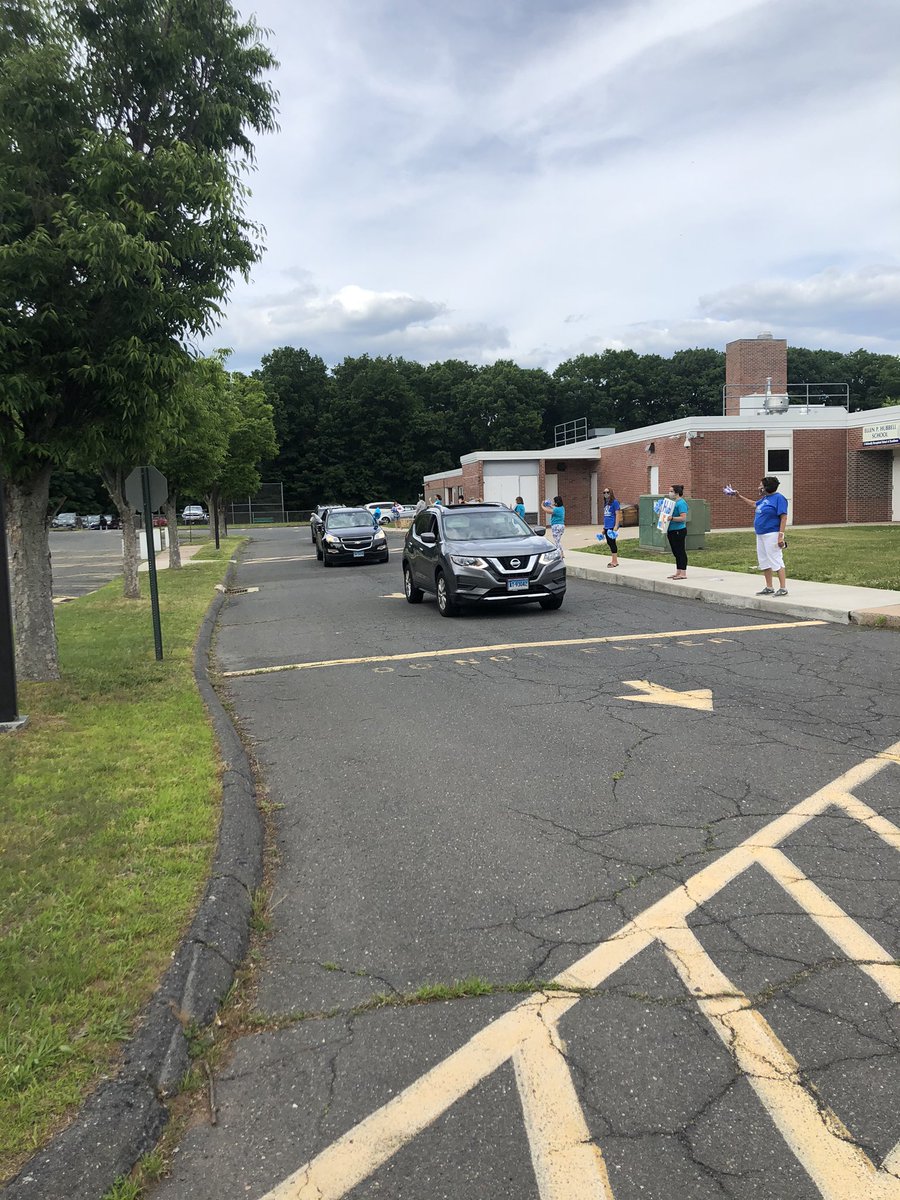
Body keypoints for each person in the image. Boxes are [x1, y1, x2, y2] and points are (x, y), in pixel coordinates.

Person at [728, 476, 789, 595]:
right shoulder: (766, 498)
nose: (759, 487)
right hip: (761, 534)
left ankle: (783, 588)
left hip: (772, 534)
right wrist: (739, 496)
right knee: (764, 561)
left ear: (767, 487)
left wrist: (781, 535)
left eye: (761, 485)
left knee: (775, 559)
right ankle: (769, 587)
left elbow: (783, 517)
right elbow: (754, 504)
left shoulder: (779, 498)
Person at [666, 484, 689, 579]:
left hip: (679, 530)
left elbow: (683, 518)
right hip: (671, 530)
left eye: (671, 491)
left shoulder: (681, 503)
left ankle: (683, 573)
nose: (669, 493)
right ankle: (678, 571)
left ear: (677, 492)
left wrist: (672, 518)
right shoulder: (673, 503)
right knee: (675, 552)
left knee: (680, 552)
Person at [600, 487, 621, 567]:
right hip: (607, 526)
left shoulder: (615, 502)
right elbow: (606, 516)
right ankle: (613, 560)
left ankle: (615, 561)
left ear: (611, 493)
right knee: (609, 542)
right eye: (604, 492)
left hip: (612, 526)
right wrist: (604, 528)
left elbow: (617, 514)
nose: (606, 494)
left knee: (612, 543)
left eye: (607, 492)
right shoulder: (605, 503)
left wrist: (616, 525)